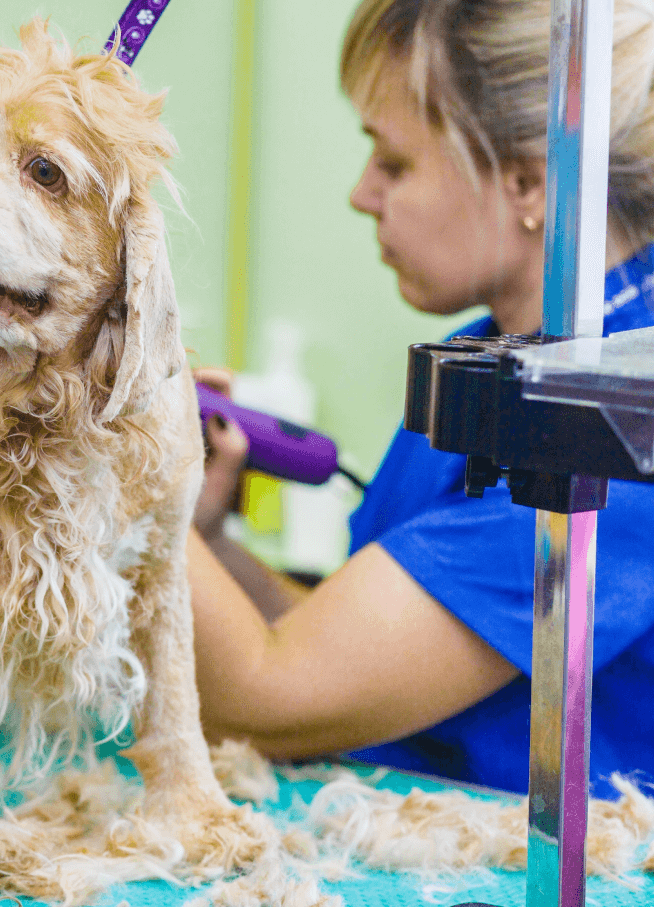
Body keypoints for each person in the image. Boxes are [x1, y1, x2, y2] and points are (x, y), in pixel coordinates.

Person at [188, 0, 654, 800]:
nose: (362, 196)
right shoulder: (484, 358)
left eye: (393, 162)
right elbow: (350, 648)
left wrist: (104, 465)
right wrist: (204, 539)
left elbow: (276, 699)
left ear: (527, 180)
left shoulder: (617, 413)